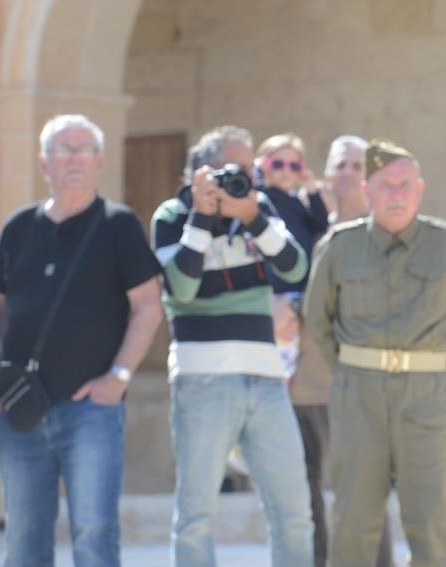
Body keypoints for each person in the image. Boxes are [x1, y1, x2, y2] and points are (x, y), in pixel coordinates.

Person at [0, 114, 164, 567]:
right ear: (44, 162)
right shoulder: (18, 227)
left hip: (92, 411)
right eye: (63, 148)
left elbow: (148, 306)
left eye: (84, 148)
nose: (74, 157)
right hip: (20, 412)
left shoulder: (119, 225)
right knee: (23, 541)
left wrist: (118, 377)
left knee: (94, 536)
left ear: (100, 160)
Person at [304, 139, 446, 567]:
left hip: (428, 392)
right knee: (353, 517)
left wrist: (439, 365)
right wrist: (354, 368)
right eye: (386, 185)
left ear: (419, 189)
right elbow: (318, 319)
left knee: (431, 517)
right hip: (358, 394)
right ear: (367, 191)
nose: (396, 194)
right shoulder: (338, 246)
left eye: (405, 185)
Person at [151, 125, 313, 566]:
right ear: (200, 172)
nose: (247, 177)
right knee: (195, 517)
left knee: (294, 513)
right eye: (235, 169)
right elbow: (181, 288)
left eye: (250, 168)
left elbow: (296, 268)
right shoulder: (171, 216)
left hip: (266, 381)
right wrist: (202, 217)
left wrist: (252, 217)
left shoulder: (258, 212)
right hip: (202, 380)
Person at [289, 133, 393, 567]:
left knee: (362, 498)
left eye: (358, 165)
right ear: (326, 174)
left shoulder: (383, 233)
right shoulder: (307, 229)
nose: (349, 173)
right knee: (304, 500)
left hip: (355, 389)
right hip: (298, 388)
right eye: (341, 165)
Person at [256, 133, 330, 294]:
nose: (286, 170)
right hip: (275, 291)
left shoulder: (295, 202)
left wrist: (312, 191)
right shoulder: (260, 199)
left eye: (294, 166)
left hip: (299, 288)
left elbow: (320, 224)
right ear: (264, 164)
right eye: (277, 164)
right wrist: (258, 174)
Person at [321, 134, 369, 225]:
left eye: (357, 167)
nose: (347, 173)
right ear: (329, 175)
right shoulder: (315, 227)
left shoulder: (379, 228)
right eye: (341, 165)